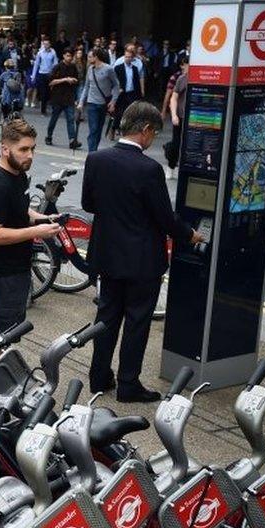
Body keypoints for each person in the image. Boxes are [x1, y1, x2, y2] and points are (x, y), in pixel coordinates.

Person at [82, 102, 203, 401]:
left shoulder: (96, 159)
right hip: (141, 260)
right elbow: (164, 217)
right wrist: (190, 234)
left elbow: (88, 204)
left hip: (108, 255)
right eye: (154, 134)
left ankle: (98, 378)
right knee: (137, 321)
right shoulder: (149, 169)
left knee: (106, 317)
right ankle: (128, 384)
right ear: (146, 130)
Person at [0, 119, 61, 334]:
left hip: (18, 265)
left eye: (32, 149)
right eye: (23, 149)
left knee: (13, 329)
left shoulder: (18, 173)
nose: (29, 155)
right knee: (2, 334)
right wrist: (36, 231)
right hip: (3, 270)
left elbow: (21, 210)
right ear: (4, 149)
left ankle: (2, 366)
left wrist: (42, 219)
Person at [77, 47, 120, 152]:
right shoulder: (90, 69)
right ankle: (91, 153)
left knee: (99, 130)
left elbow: (116, 85)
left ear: (96, 57)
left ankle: (94, 151)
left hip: (104, 103)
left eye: (90, 56)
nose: (88, 58)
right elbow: (86, 87)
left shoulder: (109, 69)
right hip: (92, 103)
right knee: (93, 129)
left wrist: (113, 101)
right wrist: (81, 102)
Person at [46, 48, 81, 149]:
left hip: (69, 97)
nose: (69, 58)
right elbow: (51, 82)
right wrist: (65, 79)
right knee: (54, 118)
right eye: (67, 56)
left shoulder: (73, 67)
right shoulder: (57, 67)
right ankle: (49, 136)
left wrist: (73, 80)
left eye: (71, 56)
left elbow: (77, 81)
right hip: (58, 97)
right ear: (64, 56)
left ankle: (72, 140)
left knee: (70, 119)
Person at [112, 45, 145, 140]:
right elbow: (113, 80)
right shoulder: (118, 67)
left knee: (130, 112)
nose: (128, 59)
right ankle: (114, 128)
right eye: (126, 57)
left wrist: (140, 92)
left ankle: (126, 131)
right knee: (119, 112)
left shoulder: (135, 68)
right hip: (121, 93)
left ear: (132, 58)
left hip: (131, 93)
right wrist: (117, 89)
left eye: (130, 57)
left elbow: (138, 80)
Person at [164, 56, 189, 181]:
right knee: (176, 143)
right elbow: (173, 98)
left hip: (194, 118)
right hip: (180, 116)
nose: (185, 67)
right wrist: (173, 115)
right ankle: (171, 167)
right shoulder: (182, 79)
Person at [31, 38, 58, 115]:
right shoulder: (40, 53)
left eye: (47, 44)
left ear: (50, 45)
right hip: (42, 74)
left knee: (51, 92)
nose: (45, 45)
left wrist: (55, 74)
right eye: (44, 44)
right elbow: (36, 64)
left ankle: (54, 109)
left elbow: (55, 64)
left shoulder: (53, 52)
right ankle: (43, 110)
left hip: (49, 74)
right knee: (43, 92)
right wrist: (33, 76)